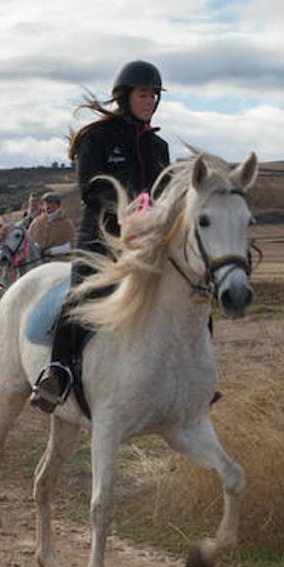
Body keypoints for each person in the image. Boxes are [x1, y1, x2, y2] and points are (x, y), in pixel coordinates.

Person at [30, 60, 171, 412]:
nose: (150, 100)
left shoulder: (159, 148)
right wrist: (130, 208)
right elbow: (91, 190)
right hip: (100, 240)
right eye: (143, 94)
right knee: (81, 297)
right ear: (124, 97)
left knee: (188, 293)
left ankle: (187, 376)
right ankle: (57, 371)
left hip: (147, 243)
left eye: (154, 95)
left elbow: (166, 193)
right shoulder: (98, 138)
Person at [27, 191, 75, 261]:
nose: (48, 205)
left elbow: (71, 245)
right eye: (46, 203)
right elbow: (29, 241)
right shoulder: (36, 222)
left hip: (59, 260)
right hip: (37, 259)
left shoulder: (66, 224)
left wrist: (52, 251)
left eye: (51, 203)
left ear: (58, 205)